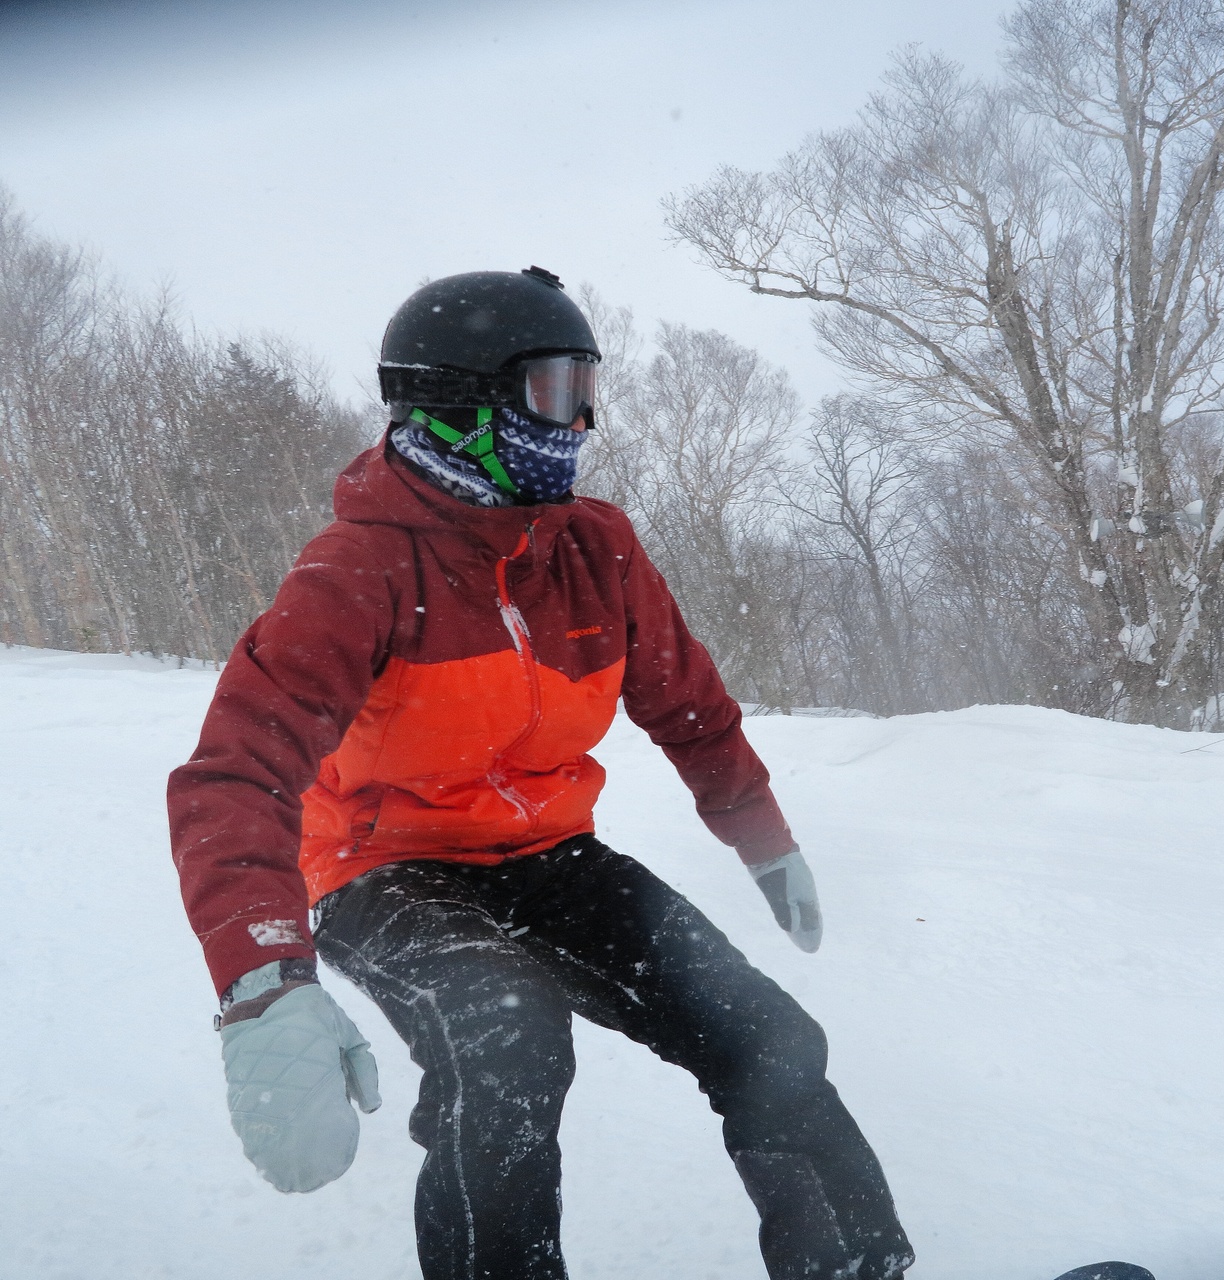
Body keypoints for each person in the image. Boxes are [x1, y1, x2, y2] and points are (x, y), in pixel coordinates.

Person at [167, 266, 914, 1280]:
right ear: (460, 404)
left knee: (767, 1037)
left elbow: (688, 704)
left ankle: (856, 1268)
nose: (581, 420)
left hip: (549, 853)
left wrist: (763, 837)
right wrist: (264, 979)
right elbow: (232, 776)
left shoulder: (594, 549)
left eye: (585, 388)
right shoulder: (355, 573)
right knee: (506, 1038)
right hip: (382, 870)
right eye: (556, 391)